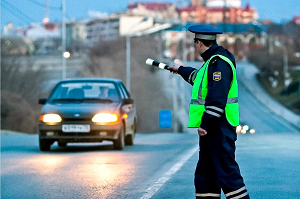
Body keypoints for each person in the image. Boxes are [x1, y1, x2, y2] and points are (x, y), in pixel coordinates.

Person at [167, 25, 250, 199]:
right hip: (214, 129)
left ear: (198, 43)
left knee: (228, 174)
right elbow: (199, 79)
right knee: (206, 176)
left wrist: (206, 124)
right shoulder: (213, 61)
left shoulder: (218, 62)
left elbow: (217, 97)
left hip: (218, 128)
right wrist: (180, 69)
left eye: (195, 42)